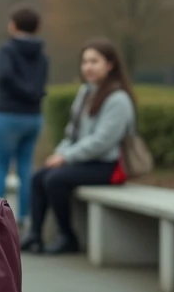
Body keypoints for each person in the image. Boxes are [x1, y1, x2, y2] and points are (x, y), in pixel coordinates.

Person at [22, 38, 136, 255]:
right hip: (84, 161)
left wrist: (66, 158)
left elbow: (103, 142)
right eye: (85, 62)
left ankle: (68, 237)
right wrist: (60, 153)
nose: (88, 67)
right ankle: (35, 235)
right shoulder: (86, 92)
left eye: (94, 61)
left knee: (54, 180)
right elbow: (72, 134)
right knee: (39, 177)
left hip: (108, 166)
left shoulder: (118, 99)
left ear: (110, 65)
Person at [0, 5, 50, 228]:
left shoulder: (7, 50)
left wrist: (21, 90)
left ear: (13, 25)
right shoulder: (42, 56)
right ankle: (24, 216)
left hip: (7, 114)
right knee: (26, 167)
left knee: (0, 167)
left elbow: (5, 76)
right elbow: (41, 83)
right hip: (33, 117)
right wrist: (32, 93)